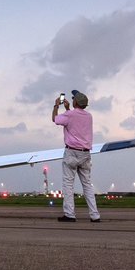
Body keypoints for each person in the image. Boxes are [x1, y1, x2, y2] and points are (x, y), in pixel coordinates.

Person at [52, 89, 101, 223]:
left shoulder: (70, 115)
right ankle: (95, 215)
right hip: (85, 153)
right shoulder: (89, 116)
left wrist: (57, 105)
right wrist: (68, 109)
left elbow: (55, 119)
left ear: (75, 102)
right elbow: (75, 118)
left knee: (68, 184)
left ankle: (70, 214)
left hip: (72, 152)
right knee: (87, 185)